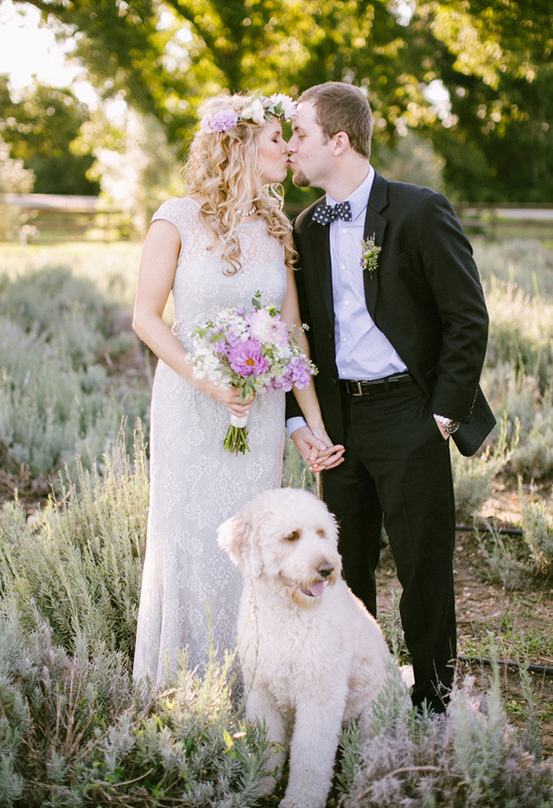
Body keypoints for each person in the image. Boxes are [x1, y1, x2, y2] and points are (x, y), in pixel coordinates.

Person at [286, 81, 496, 713]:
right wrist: (305, 419)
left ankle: (434, 705)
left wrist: (441, 413)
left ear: (339, 140)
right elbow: (301, 333)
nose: (291, 146)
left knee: (423, 570)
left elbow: (468, 317)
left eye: (300, 134)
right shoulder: (307, 226)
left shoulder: (418, 210)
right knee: (341, 573)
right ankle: (361, 699)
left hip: (410, 412)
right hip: (339, 422)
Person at [131, 92, 343, 685]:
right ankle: (178, 685)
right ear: (240, 145)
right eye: (278, 138)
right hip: (189, 405)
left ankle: (243, 681)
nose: (288, 147)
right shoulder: (175, 217)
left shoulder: (278, 230)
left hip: (259, 412)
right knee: (189, 537)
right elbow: (146, 319)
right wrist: (209, 382)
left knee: (253, 543)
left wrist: (312, 426)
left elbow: (292, 333)